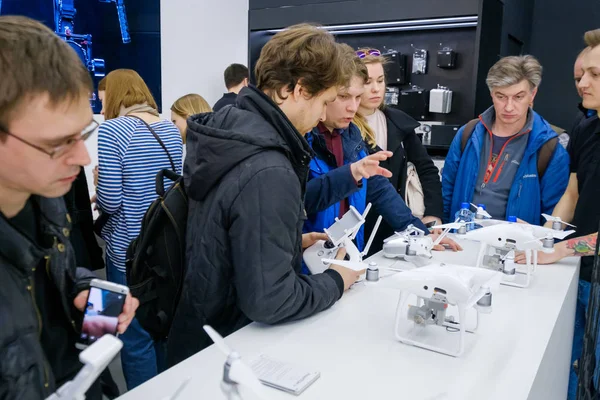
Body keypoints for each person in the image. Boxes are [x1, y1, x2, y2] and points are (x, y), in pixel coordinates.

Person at [167, 24, 364, 367]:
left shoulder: (231, 130)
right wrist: (337, 280)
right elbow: (270, 300)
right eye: (325, 102)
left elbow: (221, 229)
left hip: (199, 332)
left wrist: (286, 241)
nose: (322, 115)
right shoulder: (269, 167)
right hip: (230, 350)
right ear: (297, 89)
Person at [0, 16, 137, 400]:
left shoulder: (44, 199)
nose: (81, 158)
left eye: (82, 134)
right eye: (57, 143)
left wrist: (79, 291)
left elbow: (41, 279)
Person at [304, 46, 460, 264]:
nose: (353, 107)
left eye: (358, 97)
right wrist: (351, 174)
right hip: (307, 260)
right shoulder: (302, 136)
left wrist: (419, 235)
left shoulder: (351, 134)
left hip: (348, 255)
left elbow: (379, 188)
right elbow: (298, 201)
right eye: (344, 97)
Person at [517, 29, 600, 400]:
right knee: (571, 367)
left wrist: (562, 250)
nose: (582, 83)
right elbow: (572, 192)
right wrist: (542, 236)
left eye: (594, 75)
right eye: (579, 76)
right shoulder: (586, 128)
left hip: (587, 267)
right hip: (580, 276)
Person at [95, 69, 183, 389]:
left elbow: (110, 201)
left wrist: (97, 181)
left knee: (133, 339)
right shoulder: (169, 129)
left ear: (116, 96)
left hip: (126, 253)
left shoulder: (112, 131)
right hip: (164, 247)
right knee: (159, 330)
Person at [442, 55, 570, 224]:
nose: (509, 107)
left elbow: (555, 215)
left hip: (516, 246)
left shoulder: (550, 146)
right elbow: (446, 191)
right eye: (501, 96)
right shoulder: (468, 133)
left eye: (518, 97)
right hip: (461, 241)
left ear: (532, 95)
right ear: (491, 94)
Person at [353, 47, 444, 253]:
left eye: (380, 80)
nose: (376, 89)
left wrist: (433, 214)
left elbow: (426, 169)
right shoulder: (345, 128)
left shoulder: (398, 122)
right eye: (367, 82)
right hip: (360, 231)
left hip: (401, 228)